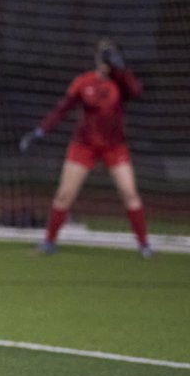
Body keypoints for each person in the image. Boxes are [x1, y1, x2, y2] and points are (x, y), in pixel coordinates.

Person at [19, 38, 151, 257]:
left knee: (130, 193)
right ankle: (49, 242)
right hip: (84, 145)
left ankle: (144, 245)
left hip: (114, 146)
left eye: (110, 57)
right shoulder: (84, 82)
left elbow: (137, 92)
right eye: (103, 57)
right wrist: (40, 131)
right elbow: (62, 109)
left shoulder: (120, 83)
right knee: (64, 195)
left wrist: (122, 68)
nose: (105, 62)